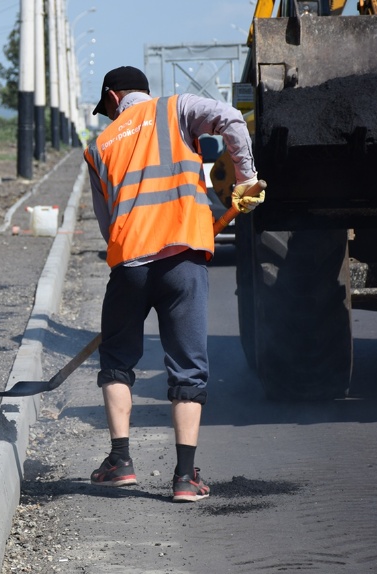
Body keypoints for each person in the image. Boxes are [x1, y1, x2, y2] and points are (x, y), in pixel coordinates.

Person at [83, 66, 263, 502]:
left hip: (129, 264)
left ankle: (120, 462)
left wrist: (132, 254)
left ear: (112, 97)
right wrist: (246, 179)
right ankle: (185, 477)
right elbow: (232, 120)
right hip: (184, 259)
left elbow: (107, 225)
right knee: (187, 366)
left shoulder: (99, 146)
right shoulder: (177, 109)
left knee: (116, 361)